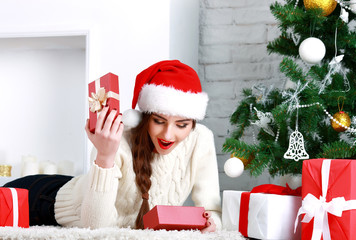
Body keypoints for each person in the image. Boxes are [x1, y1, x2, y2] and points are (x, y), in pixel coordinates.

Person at [4, 60, 222, 232]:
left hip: (87, 191)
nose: (168, 134)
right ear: (143, 118)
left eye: (181, 125)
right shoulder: (118, 139)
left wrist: (212, 223)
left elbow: (212, 209)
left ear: (193, 123)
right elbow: (96, 227)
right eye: (159, 121)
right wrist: (105, 155)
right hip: (46, 199)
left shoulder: (201, 140)